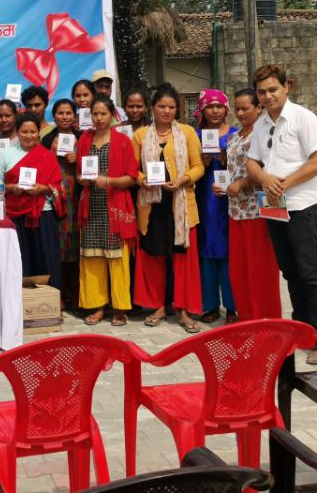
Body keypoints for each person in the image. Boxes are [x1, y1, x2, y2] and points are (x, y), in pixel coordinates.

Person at [246, 64, 317, 365]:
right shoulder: (260, 125)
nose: (268, 96)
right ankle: (300, 331)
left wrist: (282, 183)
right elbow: (252, 164)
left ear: (286, 87)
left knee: (310, 273)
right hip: (275, 208)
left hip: (304, 205)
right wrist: (265, 179)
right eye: (262, 92)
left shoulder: (303, 118)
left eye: (273, 89)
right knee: (291, 272)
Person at [132, 82, 204, 334]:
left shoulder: (187, 133)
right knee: (154, 257)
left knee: (182, 259)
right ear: (152, 108)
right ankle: (157, 306)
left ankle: (183, 310)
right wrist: (145, 180)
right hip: (152, 205)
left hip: (181, 203)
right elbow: (133, 170)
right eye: (162, 106)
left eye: (171, 107)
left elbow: (198, 166)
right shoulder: (141, 135)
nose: (166, 111)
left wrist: (183, 180)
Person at [75, 95, 138, 326]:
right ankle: (97, 306)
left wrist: (108, 181)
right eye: (95, 114)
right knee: (92, 258)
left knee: (117, 259)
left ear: (112, 115)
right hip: (91, 206)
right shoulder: (84, 139)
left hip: (115, 206)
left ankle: (120, 308)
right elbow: (79, 173)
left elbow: (131, 177)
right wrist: (82, 179)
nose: (99, 118)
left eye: (103, 113)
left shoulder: (122, 141)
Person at [222, 89, 281, 322]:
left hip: (263, 207)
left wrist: (244, 181)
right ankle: (247, 317)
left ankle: (266, 318)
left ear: (259, 108)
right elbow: (234, 168)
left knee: (262, 269)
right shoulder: (235, 136)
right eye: (237, 108)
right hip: (237, 209)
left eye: (245, 108)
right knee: (240, 269)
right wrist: (227, 185)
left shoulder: (267, 133)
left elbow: (272, 166)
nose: (240, 112)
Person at [0, 112, 64, 294]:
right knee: (20, 258)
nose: (29, 135)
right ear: (17, 132)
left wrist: (42, 188)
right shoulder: (6, 155)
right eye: (24, 131)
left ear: (38, 133)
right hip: (15, 215)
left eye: (33, 132)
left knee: (46, 256)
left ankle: (52, 300)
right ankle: (19, 301)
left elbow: (59, 186)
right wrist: (11, 188)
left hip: (43, 213)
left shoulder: (47, 156)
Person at [193, 90, 239, 324]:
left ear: (226, 110)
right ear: (202, 110)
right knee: (207, 251)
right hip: (205, 199)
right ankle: (209, 305)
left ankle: (232, 306)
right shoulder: (196, 135)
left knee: (230, 252)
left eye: (218, 106)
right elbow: (188, 166)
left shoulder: (235, 135)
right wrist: (201, 162)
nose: (214, 111)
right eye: (209, 107)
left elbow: (244, 165)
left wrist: (226, 160)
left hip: (230, 201)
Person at [41, 99, 82, 311]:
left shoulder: (83, 138)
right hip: (55, 198)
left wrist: (79, 159)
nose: (65, 116)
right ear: (54, 115)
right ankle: (60, 295)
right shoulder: (47, 139)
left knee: (76, 245)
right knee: (58, 246)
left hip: (78, 197)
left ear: (75, 116)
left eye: (68, 113)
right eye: (60, 113)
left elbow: (94, 165)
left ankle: (77, 295)